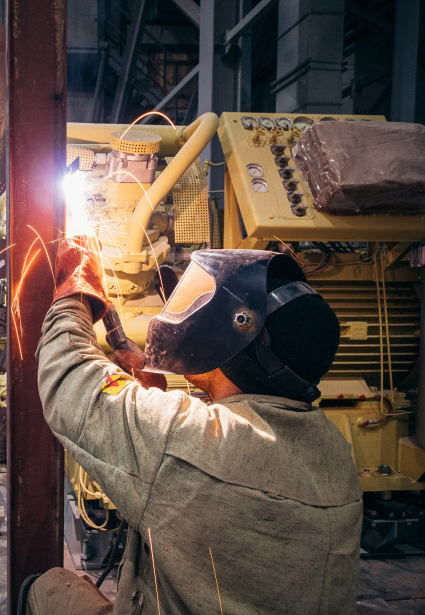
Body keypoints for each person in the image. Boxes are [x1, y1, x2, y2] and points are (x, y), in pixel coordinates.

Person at [27, 238, 362, 614]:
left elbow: (68, 373)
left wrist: (76, 288)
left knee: (47, 587)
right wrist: (152, 398)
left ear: (238, 335)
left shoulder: (182, 438)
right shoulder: (334, 452)